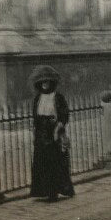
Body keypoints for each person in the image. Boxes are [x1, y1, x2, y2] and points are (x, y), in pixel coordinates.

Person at [29, 65, 74, 202]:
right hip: (41, 133)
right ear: (39, 84)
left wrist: (59, 126)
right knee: (42, 162)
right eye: (42, 83)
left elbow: (64, 114)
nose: (45, 85)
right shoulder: (38, 98)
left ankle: (54, 191)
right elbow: (35, 117)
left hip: (53, 131)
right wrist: (35, 133)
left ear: (51, 83)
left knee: (54, 162)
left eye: (47, 82)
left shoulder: (58, 97)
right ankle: (43, 190)